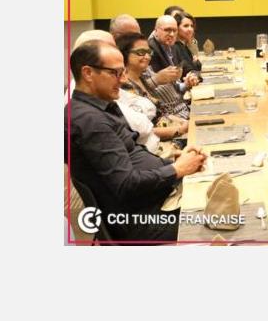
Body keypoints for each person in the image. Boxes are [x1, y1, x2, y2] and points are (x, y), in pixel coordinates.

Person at [67, 39, 208, 242]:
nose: (123, 80)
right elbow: (126, 184)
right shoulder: (90, 121)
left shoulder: (100, 107)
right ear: (88, 73)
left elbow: (132, 156)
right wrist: (176, 170)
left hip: (152, 200)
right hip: (141, 220)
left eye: (123, 72)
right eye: (115, 73)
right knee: (229, 216)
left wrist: (170, 163)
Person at [116, 33, 189, 145]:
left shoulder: (142, 79)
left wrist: (184, 122)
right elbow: (139, 131)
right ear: (124, 54)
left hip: (168, 134)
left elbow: (161, 115)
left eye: (149, 52)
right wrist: (178, 130)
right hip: (153, 145)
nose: (147, 57)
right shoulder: (123, 85)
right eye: (141, 52)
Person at [148, 14, 201, 92]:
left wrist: (189, 81)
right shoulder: (151, 50)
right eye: (167, 30)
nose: (172, 34)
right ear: (156, 31)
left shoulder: (173, 46)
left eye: (174, 30)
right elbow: (158, 87)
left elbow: (189, 69)